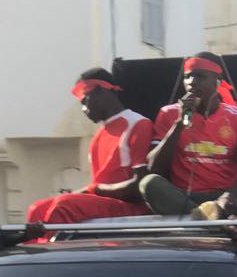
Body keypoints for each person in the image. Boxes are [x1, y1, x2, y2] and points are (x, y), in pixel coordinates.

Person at [140, 52, 237, 219]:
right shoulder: (168, 114)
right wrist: (180, 124)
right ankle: (207, 215)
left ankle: (223, 211)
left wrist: (231, 195)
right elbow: (154, 167)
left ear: (218, 81)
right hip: (184, 197)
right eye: (188, 77)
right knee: (148, 183)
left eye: (200, 76)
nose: (192, 82)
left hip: (227, 196)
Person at [28, 68, 154, 225]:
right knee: (37, 209)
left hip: (131, 207)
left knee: (64, 206)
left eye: (85, 100)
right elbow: (95, 187)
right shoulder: (100, 134)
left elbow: (140, 186)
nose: (83, 109)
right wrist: (80, 193)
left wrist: (95, 190)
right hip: (103, 203)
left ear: (101, 91)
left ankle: (52, 249)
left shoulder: (138, 124)